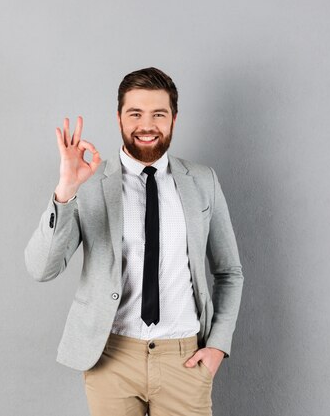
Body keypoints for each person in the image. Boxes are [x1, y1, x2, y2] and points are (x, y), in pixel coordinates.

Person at [25, 67, 244, 416]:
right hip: (111, 358)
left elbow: (229, 272)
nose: (147, 125)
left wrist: (218, 346)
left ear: (174, 118)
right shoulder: (91, 182)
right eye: (135, 113)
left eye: (159, 114)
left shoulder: (202, 181)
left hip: (184, 360)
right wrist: (66, 190)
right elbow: (42, 268)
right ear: (119, 118)